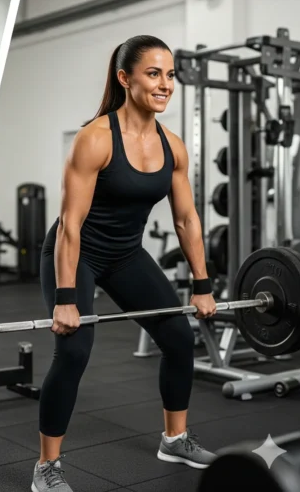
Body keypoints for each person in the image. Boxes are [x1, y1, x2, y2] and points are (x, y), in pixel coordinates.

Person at [31, 35, 217, 492]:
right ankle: (47, 467)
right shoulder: (95, 139)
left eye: (169, 75)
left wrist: (202, 285)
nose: (165, 84)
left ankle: (175, 438)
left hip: (126, 254)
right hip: (75, 252)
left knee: (178, 337)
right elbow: (70, 225)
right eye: (153, 74)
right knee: (73, 351)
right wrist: (66, 298)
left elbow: (186, 219)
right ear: (125, 79)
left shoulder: (172, 146)